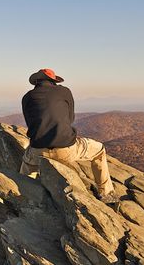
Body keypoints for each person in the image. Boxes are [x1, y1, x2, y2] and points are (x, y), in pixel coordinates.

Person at [20, 68, 119, 204]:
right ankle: (106, 194)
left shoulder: (27, 97)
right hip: (66, 149)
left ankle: (23, 197)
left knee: (27, 165)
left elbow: (30, 123)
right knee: (99, 150)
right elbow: (70, 118)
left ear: (36, 81)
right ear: (53, 81)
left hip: (38, 151)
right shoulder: (64, 91)